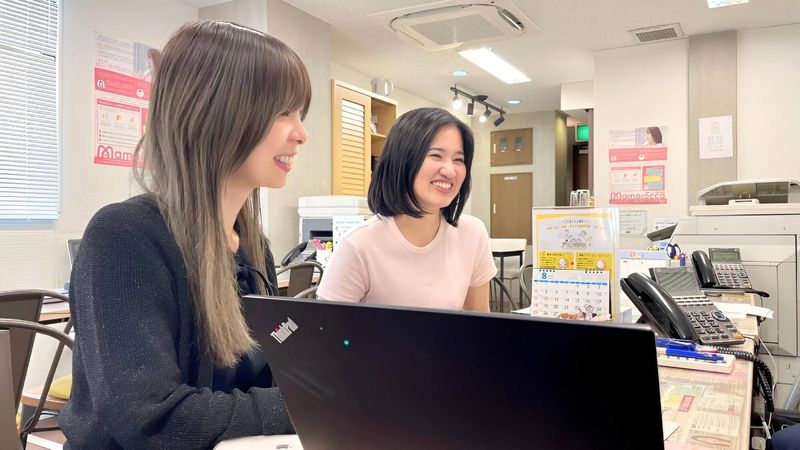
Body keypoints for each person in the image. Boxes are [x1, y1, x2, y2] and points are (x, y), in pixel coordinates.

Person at [59, 20, 310, 448]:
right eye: (283, 112)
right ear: (218, 111)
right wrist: (301, 406)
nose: (300, 134)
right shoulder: (124, 237)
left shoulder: (254, 248)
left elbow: (267, 372)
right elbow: (151, 419)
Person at [317, 107, 496, 311]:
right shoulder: (358, 245)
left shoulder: (472, 234)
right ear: (402, 160)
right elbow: (324, 328)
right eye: (436, 155)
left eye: (458, 160)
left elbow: (480, 323)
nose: (450, 171)